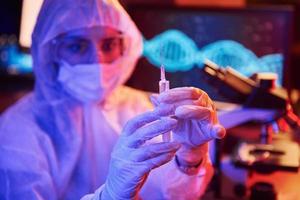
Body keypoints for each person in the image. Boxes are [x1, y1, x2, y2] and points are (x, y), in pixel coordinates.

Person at [0, 0, 226, 199]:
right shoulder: (18, 129)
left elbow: (176, 194)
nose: (96, 59)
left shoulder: (142, 107)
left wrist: (189, 158)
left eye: (108, 45)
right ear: (50, 51)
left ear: (124, 47)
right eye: (77, 46)